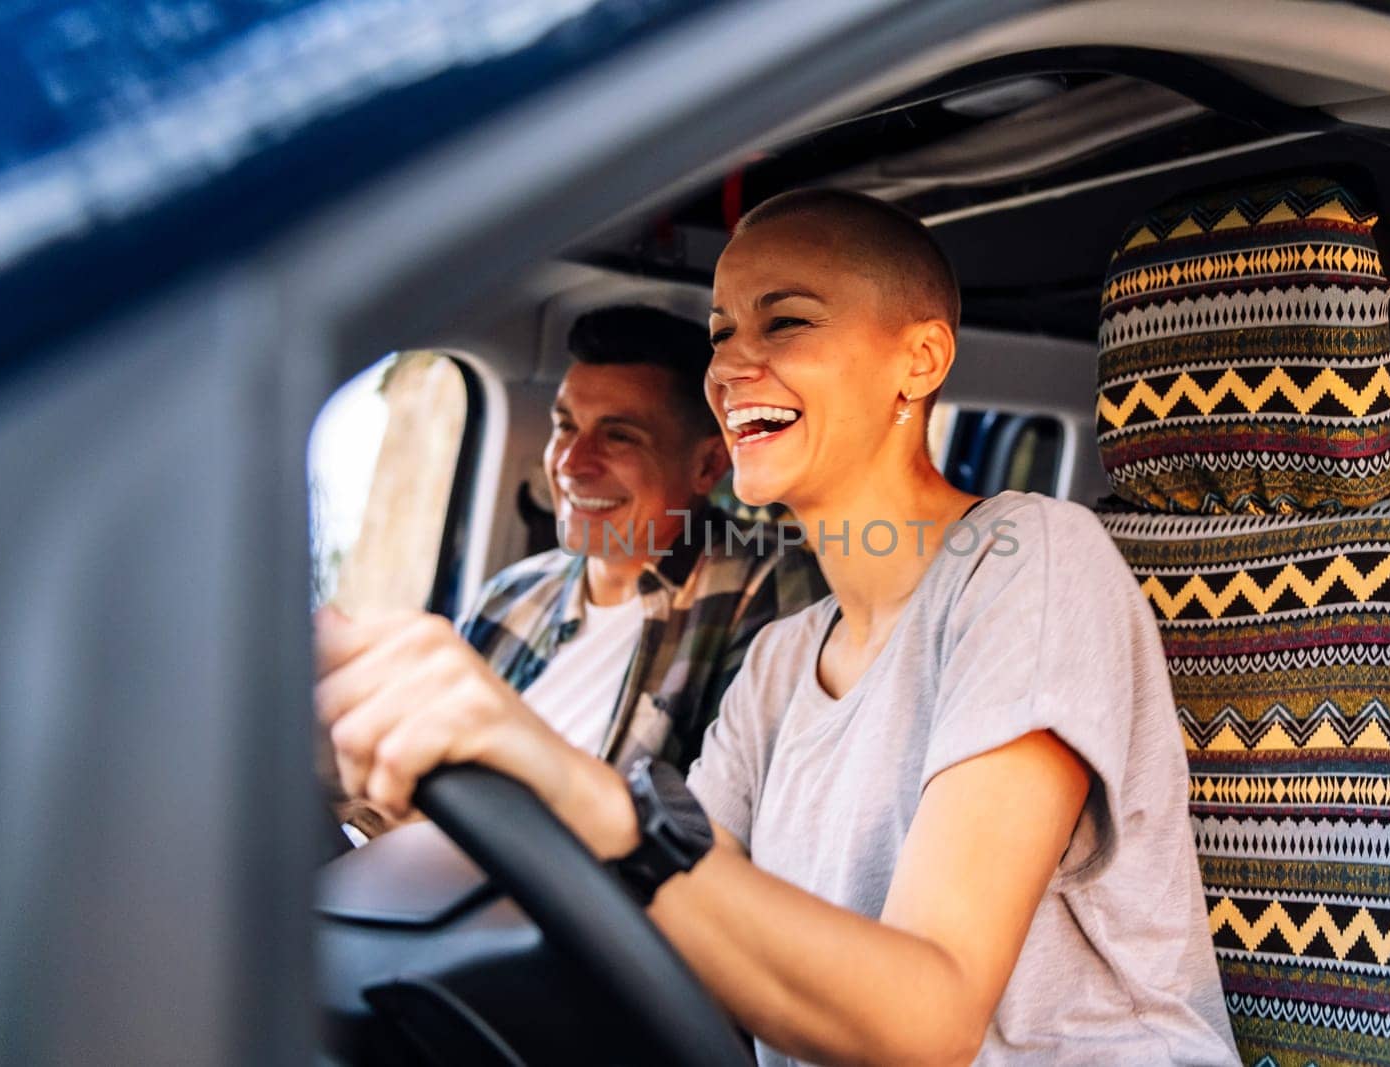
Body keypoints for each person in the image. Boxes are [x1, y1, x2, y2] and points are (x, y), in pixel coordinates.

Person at [316, 191, 1236, 1064]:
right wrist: (417, 805)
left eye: (785, 321)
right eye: (722, 333)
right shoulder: (781, 660)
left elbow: (932, 1022)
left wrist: (570, 787)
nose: (728, 366)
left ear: (918, 361)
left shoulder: (1030, 558)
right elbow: (659, 930)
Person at [333, 305, 827, 838]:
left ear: (707, 465)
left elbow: (724, 839)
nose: (571, 462)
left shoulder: (768, 587)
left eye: (619, 437)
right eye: (565, 426)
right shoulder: (513, 595)